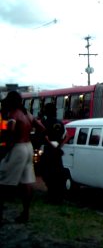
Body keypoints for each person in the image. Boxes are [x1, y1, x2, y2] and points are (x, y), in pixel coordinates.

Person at [0, 91, 46, 225]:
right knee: (27, 182)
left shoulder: (13, 115)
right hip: (28, 147)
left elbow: (10, 134)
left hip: (17, 148)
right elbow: (42, 128)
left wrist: (5, 151)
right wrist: (34, 140)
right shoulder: (28, 114)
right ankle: (25, 213)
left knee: (2, 180)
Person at [39, 102, 66, 204]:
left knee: (47, 173)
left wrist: (52, 147)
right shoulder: (60, 123)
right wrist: (59, 147)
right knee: (58, 174)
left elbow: (45, 138)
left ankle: (51, 197)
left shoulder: (44, 122)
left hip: (48, 151)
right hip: (57, 152)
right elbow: (66, 137)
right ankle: (58, 198)